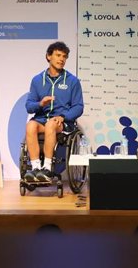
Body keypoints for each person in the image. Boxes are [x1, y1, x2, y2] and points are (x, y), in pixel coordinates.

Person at [24, 41, 83, 182]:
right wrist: (40, 103)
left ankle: (47, 168)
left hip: (62, 122)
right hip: (41, 119)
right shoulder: (37, 80)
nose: (61, 59)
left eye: (64, 56)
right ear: (48, 57)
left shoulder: (72, 81)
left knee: (51, 123)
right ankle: (35, 168)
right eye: (58, 55)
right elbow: (29, 106)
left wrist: (64, 116)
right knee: (30, 125)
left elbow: (78, 107)